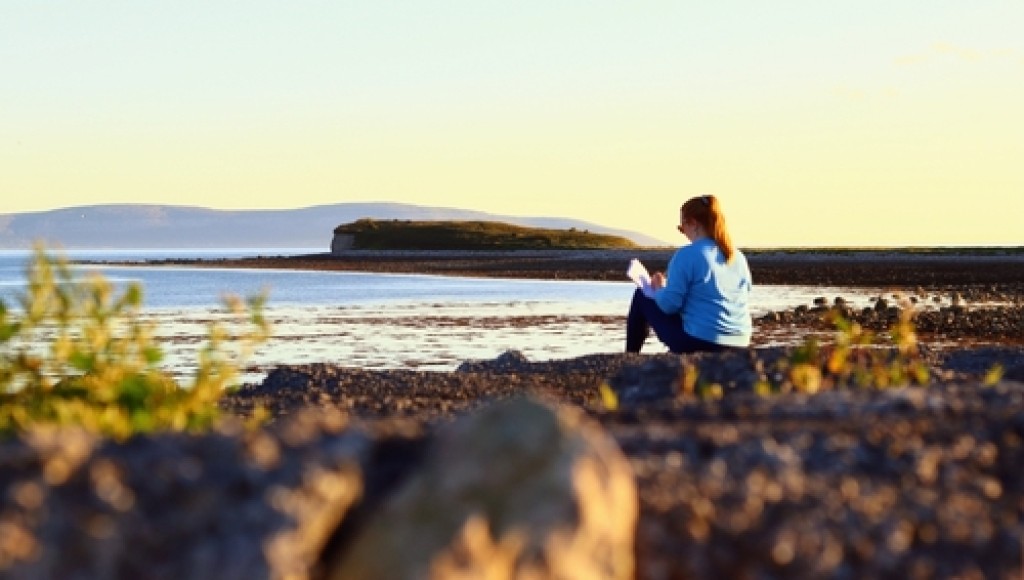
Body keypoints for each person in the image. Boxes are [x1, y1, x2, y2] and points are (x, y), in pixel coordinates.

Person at [625, 194, 752, 353]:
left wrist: (658, 289)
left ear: (693, 223)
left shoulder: (688, 254)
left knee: (641, 295)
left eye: (681, 227)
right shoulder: (738, 257)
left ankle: (630, 356)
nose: (683, 232)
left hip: (700, 341)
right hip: (740, 341)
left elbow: (670, 305)